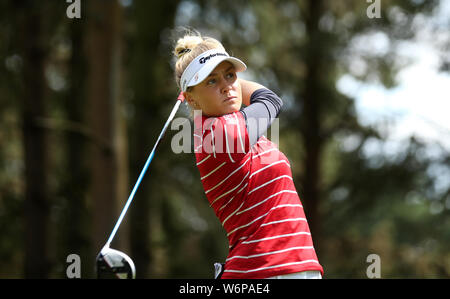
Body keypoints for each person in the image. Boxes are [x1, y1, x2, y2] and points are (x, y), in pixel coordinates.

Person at [172, 31, 324, 279]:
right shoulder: (214, 134)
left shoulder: (248, 133)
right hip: (262, 271)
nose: (226, 86)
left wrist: (217, 80)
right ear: (190, 97)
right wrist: (224, 80)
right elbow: (270, 100)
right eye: (211, 81)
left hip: (297, 266)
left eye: (230, 75)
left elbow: (267, 99)